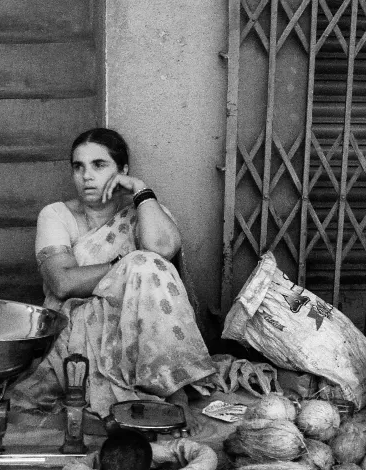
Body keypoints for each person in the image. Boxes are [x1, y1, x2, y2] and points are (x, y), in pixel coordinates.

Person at [14, 128, 216, 416]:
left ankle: (164, 386)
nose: (86, 176)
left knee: (148, 264)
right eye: (78, 166)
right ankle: (166, 389)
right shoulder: (56, 215)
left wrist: (141, 190)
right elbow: (62, 283)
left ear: (122, 170)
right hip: (77, 325)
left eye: (99, 165)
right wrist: (127, 264)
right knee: (142, 263)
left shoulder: (142, 210)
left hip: (138, 321)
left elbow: (163, 251)